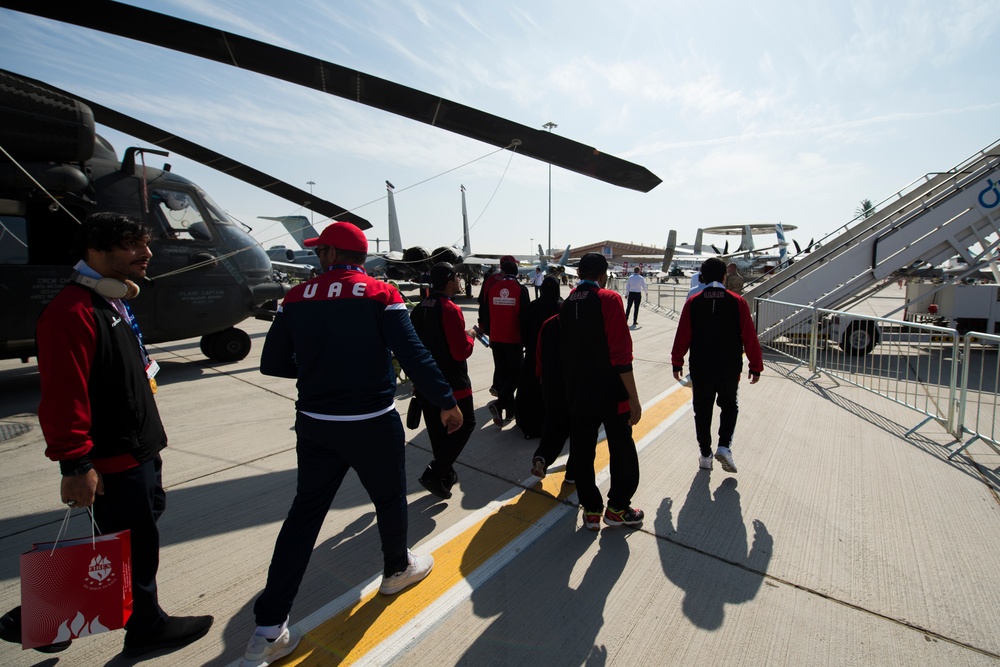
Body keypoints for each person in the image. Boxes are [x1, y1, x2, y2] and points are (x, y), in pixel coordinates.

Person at [244, 222, 463, 667]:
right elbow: (415, 355)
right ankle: (395, 569)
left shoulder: (293, 298)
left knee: (303, 517)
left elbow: (271, 363)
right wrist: (444, 401)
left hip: (316, 424)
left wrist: (318, 373)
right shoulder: (382, 294)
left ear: (329, 254)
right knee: (387, 499)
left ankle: (267, 631)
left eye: (320, 250)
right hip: (370, 422)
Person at [33, 212, 213, 658]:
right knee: (130, 543)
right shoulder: (72, 312)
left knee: (136, 537)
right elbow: (63, 395)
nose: (147, 254)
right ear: (95, 250)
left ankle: (66, 614)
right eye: (133, 244)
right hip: (115, 457)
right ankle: (141, 626)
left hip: (139, 450)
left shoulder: (111, 302)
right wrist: (75, 463)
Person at [559, 252, 643, 530]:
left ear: (579, 273)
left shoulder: (567, 303)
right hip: (610, 392)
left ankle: (592, 510)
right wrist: (634, 397)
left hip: (578, 392)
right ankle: (618, 507)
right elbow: (621, 353)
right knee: (622, 447)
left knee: (582, 449)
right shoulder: (609, 299)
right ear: (603, 275)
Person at [671, 256, 763, 474]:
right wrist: (755, 366)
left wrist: (677, 361)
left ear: (702, 276)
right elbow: (749, 336)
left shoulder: (693, 302)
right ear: (725, 277)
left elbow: (682, 335)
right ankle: (724, 446)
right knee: (729, 405)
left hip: (701, 366)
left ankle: (705, 454)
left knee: (702, 410)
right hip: (729, 366)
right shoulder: (737, 302)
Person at [410, 262, 477, 500]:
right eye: (457, 279)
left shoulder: (419, 308)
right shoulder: (449, 309)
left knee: (438, 431)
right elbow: (460, 352)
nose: (459, 282)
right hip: (452, 382)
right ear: (449, 282)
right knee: (465, 423)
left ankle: (444, 475)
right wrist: (470, 337)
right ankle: (434, 473)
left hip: (426, 381)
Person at [479, 258, 529, 427]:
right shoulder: (520, 290)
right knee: (516, 374)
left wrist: (489, 333)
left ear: (502, 272)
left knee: (503, 374)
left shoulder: (493, 288)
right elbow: (524, 317)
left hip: (496, 338)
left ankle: (510, 410)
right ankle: (500, 404)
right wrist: (525, 338)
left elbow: (486, 311)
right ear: (516, 273)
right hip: (513, 338)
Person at [516, 275, 562, 439]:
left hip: (532, 355)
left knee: (529, 389)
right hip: (553, 358)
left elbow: (523, 328)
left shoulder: (532, 306)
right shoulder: (560, 307)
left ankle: (527, 422)